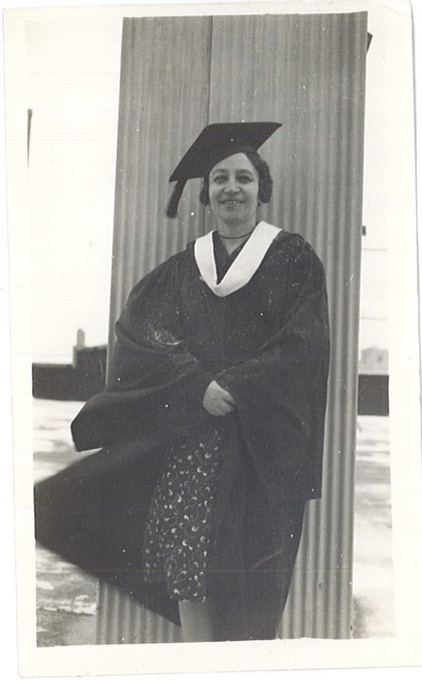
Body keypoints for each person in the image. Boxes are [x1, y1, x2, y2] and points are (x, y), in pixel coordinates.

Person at [34, 122, 330, 642]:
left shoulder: (292, 259)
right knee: (190, 578)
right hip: (192, 446)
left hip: (257, 449)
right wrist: (196, 388)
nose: (231, 188)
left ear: (262, 189)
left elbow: (301, 346)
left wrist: (236, 387)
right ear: (206, 193)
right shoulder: (181, 270)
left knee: (248, 584)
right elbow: (142, 340)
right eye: (220, 178)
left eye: (243, 177)